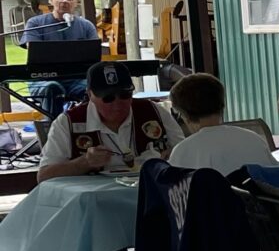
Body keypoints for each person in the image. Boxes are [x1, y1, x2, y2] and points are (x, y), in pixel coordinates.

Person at [40, 62, 184, 181]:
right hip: (93, 201)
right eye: (108, 98)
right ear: (90, 94)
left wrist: (174, 155)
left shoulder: (153, 112)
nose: (117, 103)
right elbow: (44, 175)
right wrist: (85, 162)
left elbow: (185, 151)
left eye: (125, 95)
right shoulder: (68, 122)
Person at [164, 74, 273, 176]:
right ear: (222, 106)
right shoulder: (253, 139)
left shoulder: (182, 152)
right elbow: (275, 175)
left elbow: (174, 187)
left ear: (185, 116)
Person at [21, 0, 100, 116]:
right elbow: (33, 49)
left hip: (76, 79)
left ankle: (85, 126)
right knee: (53, 88)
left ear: (76, 3)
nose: (64, 1)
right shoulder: (35, 23)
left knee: (93, 89)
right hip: (43, 79)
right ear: (52, 0)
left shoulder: (86, 26)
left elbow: (94, 54)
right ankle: (53, 126)